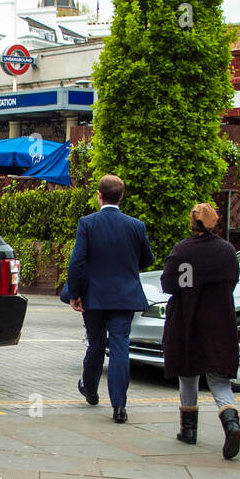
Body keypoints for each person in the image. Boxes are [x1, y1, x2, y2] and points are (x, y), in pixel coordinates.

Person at [64, 174, 154, 423]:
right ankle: (119, 406)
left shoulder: (87, 223)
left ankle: (90, 390)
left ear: (99, 195)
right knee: (119, 347)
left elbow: (77, 262)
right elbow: (148, 260)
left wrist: (75, 293)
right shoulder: (136, 226)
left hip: (94, 296)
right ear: (122, 196)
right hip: (125, 296)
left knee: (95, 343)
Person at [160, 203, 240, 459]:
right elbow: (233, 280)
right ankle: (231, 422)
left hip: (187, 320)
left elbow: (168, 283)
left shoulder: (182, 250)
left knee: (188, 373)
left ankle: (189, 430)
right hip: (219, 320)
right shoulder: (227, 251)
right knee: (218, 378)